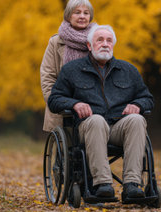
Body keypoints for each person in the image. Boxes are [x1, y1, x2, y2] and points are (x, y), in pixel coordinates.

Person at [48, 25, 154, 199]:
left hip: (119, 127)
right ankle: (103, 184)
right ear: (89, 46)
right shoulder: (72, 70)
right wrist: (74, 104)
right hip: (88, 128)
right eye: (100, 40)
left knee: (137, 120)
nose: (105, 44)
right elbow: (54, 100)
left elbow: (148, 98)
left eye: (109, 40)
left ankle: (132, 185)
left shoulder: (128, 70)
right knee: (96, 120)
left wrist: (138, 105)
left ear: (113, 45)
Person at [40, 0, 97, 132]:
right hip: (64, 108)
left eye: (86, 13)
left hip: (94, 106)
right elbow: (47, 76)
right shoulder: (55, 42)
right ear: (68, 15)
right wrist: (57, 102)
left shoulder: (99, 40)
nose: (82, 16)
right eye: (77, 12)